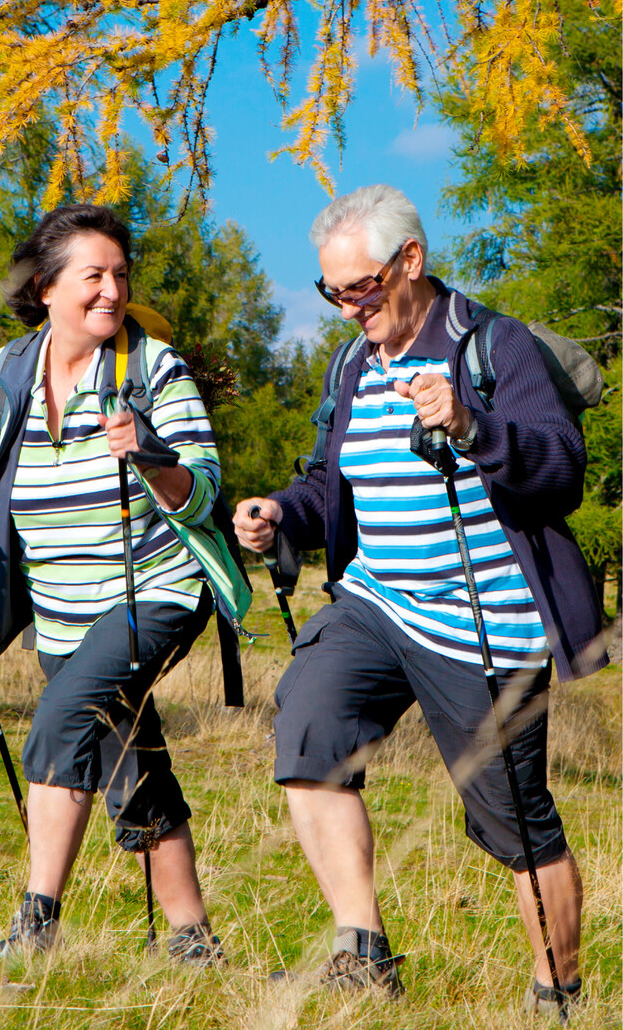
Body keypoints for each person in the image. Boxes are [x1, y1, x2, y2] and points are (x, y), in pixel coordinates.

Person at [233, 185, 605, 1016]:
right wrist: (279, 513)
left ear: (411, 261)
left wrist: (475, 429)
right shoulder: (354, 364)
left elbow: (563, 471)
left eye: (359, 288)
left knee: (514, 819)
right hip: (376, 602)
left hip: (482, 620)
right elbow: (329, 481)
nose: (346, 307)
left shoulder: (492, 347)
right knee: (309, 728)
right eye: (332, 293)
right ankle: (362, 953)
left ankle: (558, 993)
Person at [0, 203, 240, 961]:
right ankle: (192, 940)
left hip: (157, 593)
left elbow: (204, 490)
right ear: (47, 287)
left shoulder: (154, 369)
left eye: (120, 276)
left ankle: (38, 925)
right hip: (60, 612)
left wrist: (150, 457)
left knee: (63, 719)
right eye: (93, 275)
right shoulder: (6, 371)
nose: (111, 291)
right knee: (131, 759)